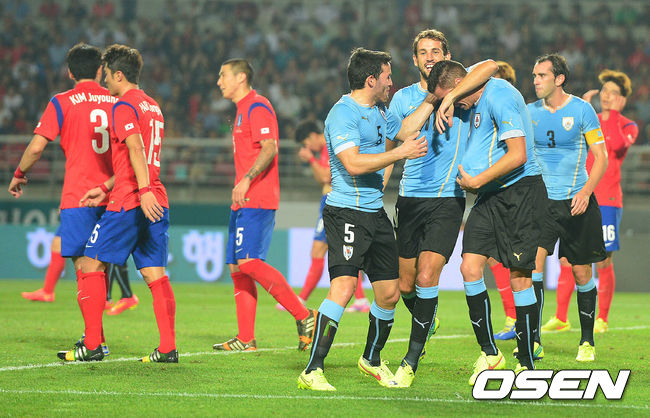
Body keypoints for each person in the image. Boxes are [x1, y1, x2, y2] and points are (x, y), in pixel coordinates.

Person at [297, 47, 427, 391]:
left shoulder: (380, 111)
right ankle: (312, 370)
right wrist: (400, 153)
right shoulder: (343, 113)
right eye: (387, 76)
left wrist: (433, 98)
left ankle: (371, 358)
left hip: (374, 212)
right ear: (371, 80)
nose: (391, 82)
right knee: (343, 288)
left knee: (389, 293)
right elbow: (353, 164)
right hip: (346, 212)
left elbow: (405, 130)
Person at [385, 29, 498, 387]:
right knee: (405, 285)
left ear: (447, 56)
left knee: (426, 277)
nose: (430, 56)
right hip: (410, 199)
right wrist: (434, 99)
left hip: (448, 199)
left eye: (436, 51)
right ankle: (426, 316)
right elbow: (402, 134)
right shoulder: (404, 98)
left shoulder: (464, 91)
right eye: (423, 52)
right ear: (414, 60)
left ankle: (410, 362)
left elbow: (491, 66)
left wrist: (450, 95)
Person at [58, 44, 177, 363]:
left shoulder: (124, 105)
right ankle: (168, 349)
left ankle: (92, 345)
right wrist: (105, 187)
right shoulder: (152, 106)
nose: (105, 80)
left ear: (120, 75)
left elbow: (135, 148)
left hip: (130, 199)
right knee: (155, 274)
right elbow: (134, 156)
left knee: (91, 263)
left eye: (108, 74)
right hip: (154, 197)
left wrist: (141, 190)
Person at [430, 59, 546, 382]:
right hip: (489, 197)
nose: (452, 106)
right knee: (469, 267)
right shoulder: (475, 97)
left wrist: (477, 181)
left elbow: (518, 154)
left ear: (458, 87)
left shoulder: (500, 96)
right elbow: (479, 70)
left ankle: (526, 360)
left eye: (450, 97)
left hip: (519, 192)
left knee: (520, 276)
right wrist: (450, 99)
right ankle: (491, 354)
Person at [8, 44, 116, 356]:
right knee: (98, 267)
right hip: (113, 193)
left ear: (69, 72)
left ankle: (94, 342)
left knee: (85, 267)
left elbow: (37, 147)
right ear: (100, 71)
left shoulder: (62, 101)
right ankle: (96, 338)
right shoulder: (115, 100)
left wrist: (19, 173)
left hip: (80, 196)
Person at [212, 58, 317, 353]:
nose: (219, 81)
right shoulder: (242, 110)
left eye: (223, 75)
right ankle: (246, 338)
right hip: (242, 199)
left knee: (249, 262)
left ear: (241, 78)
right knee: (237, 266)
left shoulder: (257, 106)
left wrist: (246, 180)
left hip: (257, 196)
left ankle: (304, 315)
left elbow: (270, 147)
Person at [543, 69, 638, 334]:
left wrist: (613, 115)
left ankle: (602, 319)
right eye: (605, 91)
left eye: (613, 93)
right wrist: (581, 111)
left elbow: (615, 146)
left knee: (603, 260)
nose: (607, 96)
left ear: (622, 99)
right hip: (579, 194)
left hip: (607, 200)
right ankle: (561, 317)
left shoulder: (627, 126)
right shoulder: (589, 118)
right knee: (567, 258)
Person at [528, 54, 607, 362]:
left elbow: (600, 157)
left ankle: (587, 341)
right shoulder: (529, 112)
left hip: (576, 201)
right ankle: (533, 340)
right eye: (534, 75)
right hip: (541, 203)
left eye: (542, 75)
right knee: (532, 267)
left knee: (581, 270)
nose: (535, 80)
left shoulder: (582, 110)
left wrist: (586, 192)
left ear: (559, 79)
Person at [281, 119, 370, 313]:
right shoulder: (324, 149)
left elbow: (324, 177)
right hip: (329, 200)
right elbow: (321, 179)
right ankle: (360, 299)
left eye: (306, 143)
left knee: (321, 251)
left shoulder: (330, 145)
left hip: (334, 202)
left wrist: (310, 160)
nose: (307, 147)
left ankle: (301, 300)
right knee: (338, 251)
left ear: (313, 136)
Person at [490, 60, 517, 340]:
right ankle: (513, 316)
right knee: (493, 255)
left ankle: (522, 320)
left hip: (514, 191)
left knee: (516, 257)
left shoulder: (512, 112)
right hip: (493, 190)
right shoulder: (486, 113)